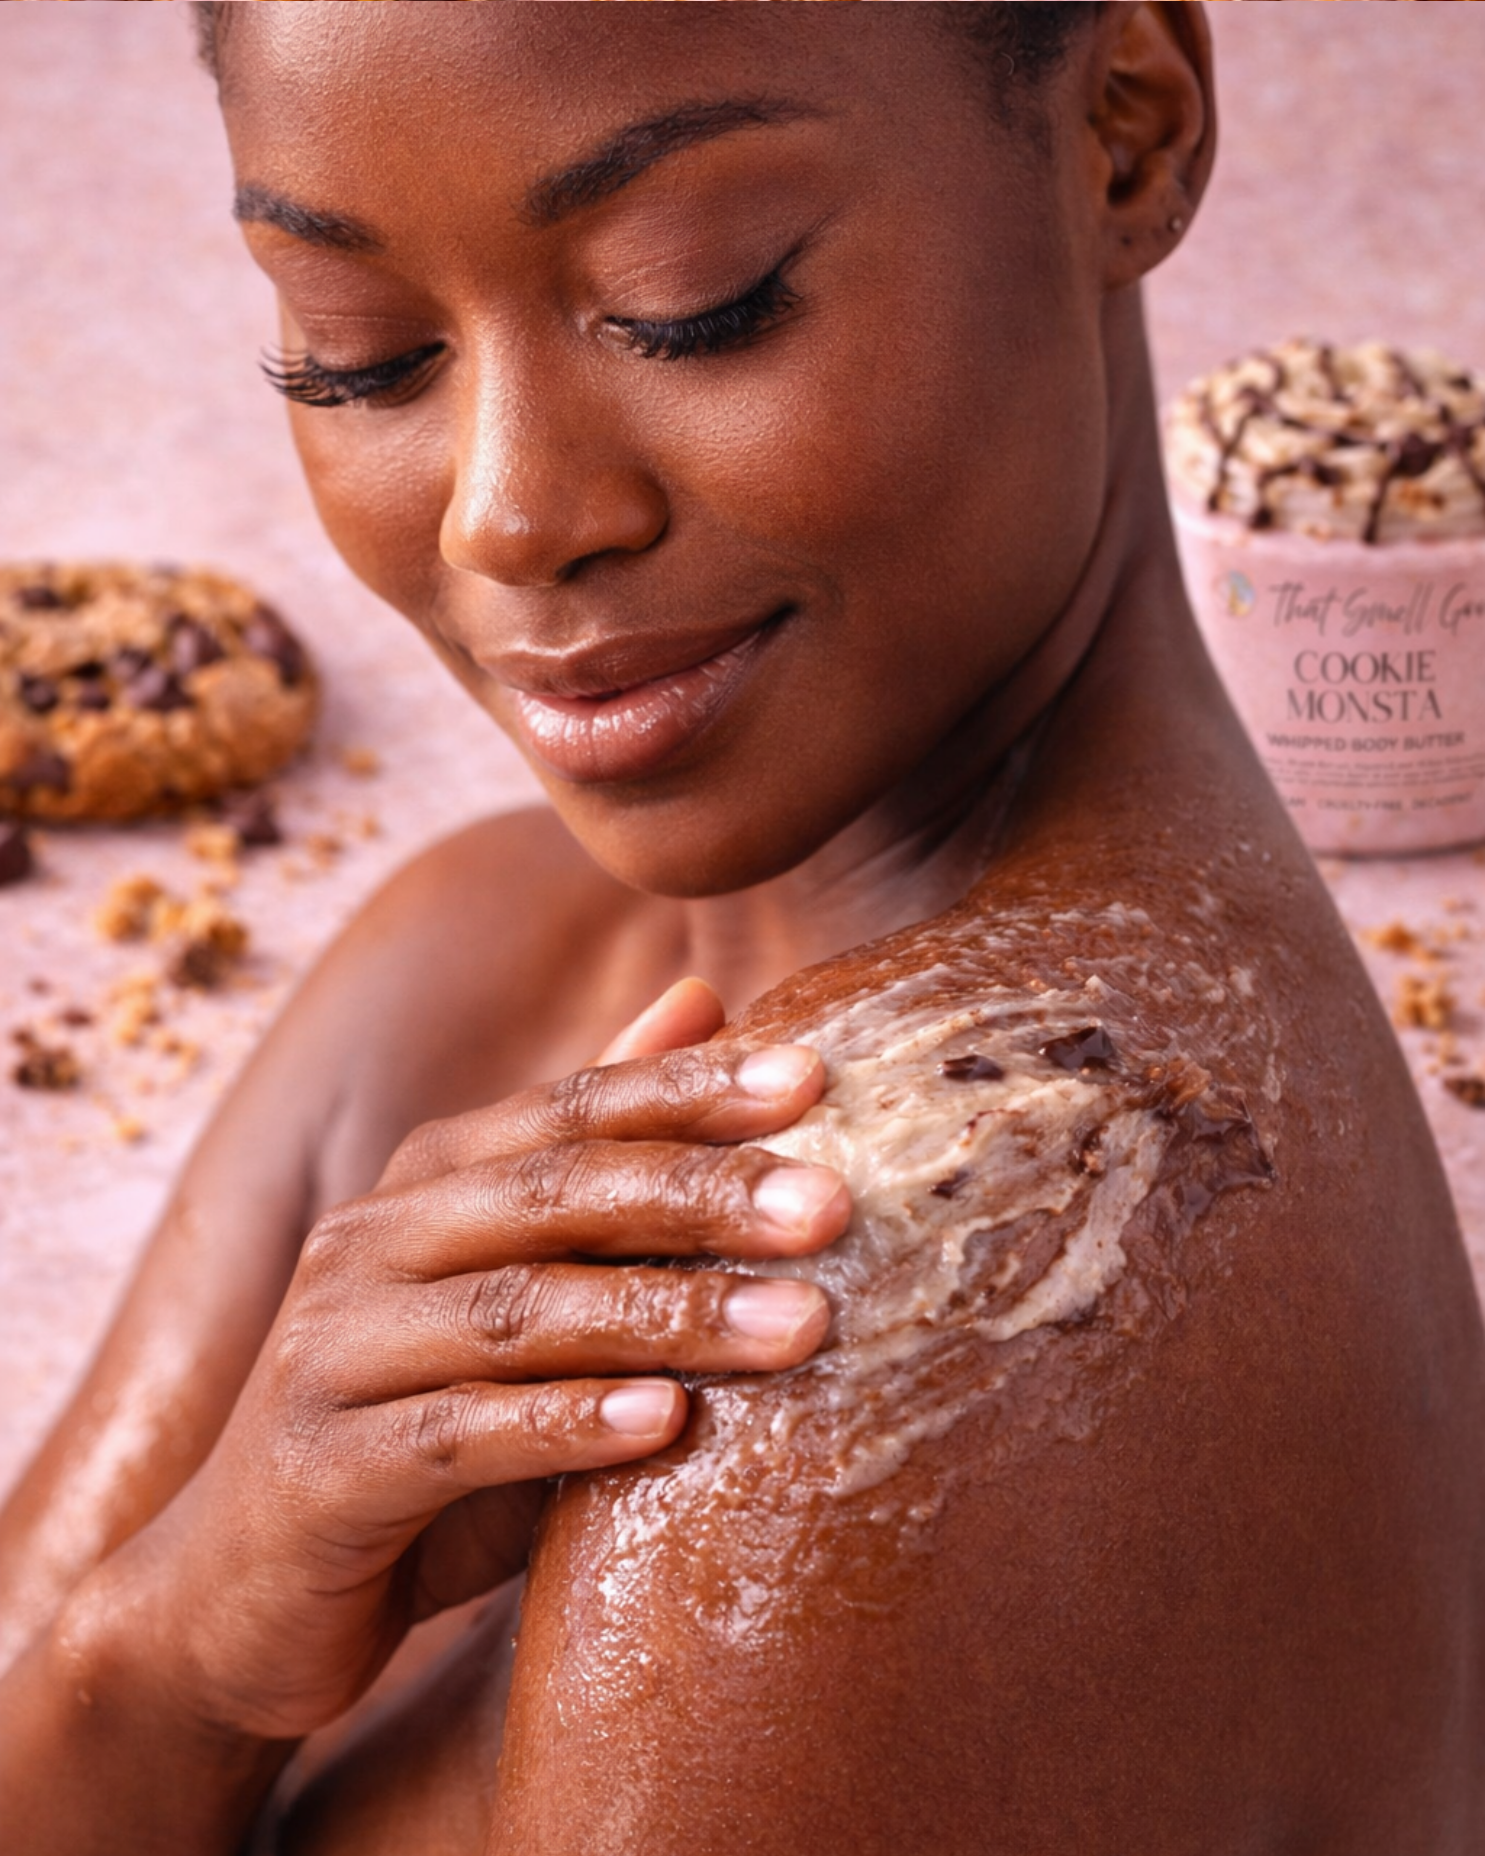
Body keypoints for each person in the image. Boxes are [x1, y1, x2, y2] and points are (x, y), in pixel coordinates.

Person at [2, 4, 1483, 1850]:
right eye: (356, 358)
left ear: (1125, 127)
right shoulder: (492, 946)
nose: (510, 514)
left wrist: (148, 1702)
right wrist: (163, 1664)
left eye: (694, 302)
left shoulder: (890, 1332)